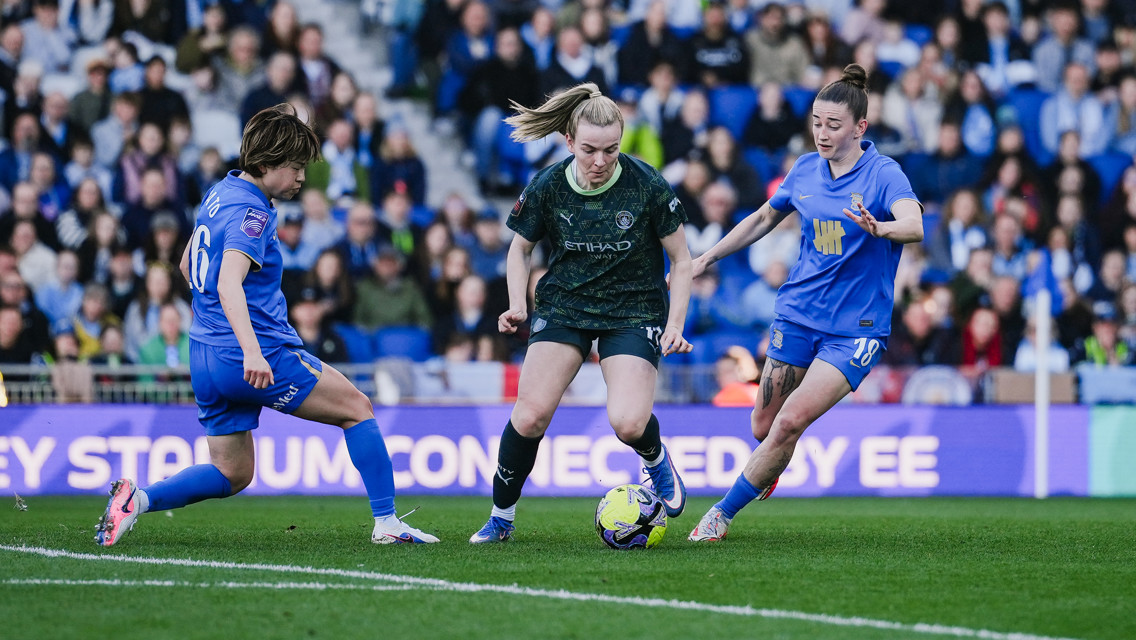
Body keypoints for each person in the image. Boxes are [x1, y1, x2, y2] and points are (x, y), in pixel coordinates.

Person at [94, 104, 438, 547]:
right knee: (357, 408)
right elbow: (228, 282)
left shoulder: (220, 191)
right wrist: (252, 350)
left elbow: (186, 264)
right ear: (264, 164)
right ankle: (388, 523)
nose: (300, 178)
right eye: (294, 168)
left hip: (205, 354)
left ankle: (136, 501)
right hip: (253, 353)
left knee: (232, 473)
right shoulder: (253, 213)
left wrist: (216, 328)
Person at [686, 64, 924, 542]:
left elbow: (914, 225)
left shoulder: (883, 174)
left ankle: (720, 515)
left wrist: (880, 228)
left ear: (860, 127)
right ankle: (769, 463)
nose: (821, 132)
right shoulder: (804, 169)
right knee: (764, 426)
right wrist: (706, 257)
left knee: (790, 421)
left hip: (854, 329)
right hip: (797, 314)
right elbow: (760, 220)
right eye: (816, 121)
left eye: (833, 125)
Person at [469, 82, 694, 544]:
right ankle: (500, 518)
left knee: (629, 423)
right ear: (569, 142)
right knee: (530, 415)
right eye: (589, 150)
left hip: (633, 310)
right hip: (565, 306)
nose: (600, 161)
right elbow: (520, 249)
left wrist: (675, 326)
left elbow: (684, 259)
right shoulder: (549, 185)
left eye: (611, 150)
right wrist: (517, 303)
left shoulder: (647, 184)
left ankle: (655, 461)